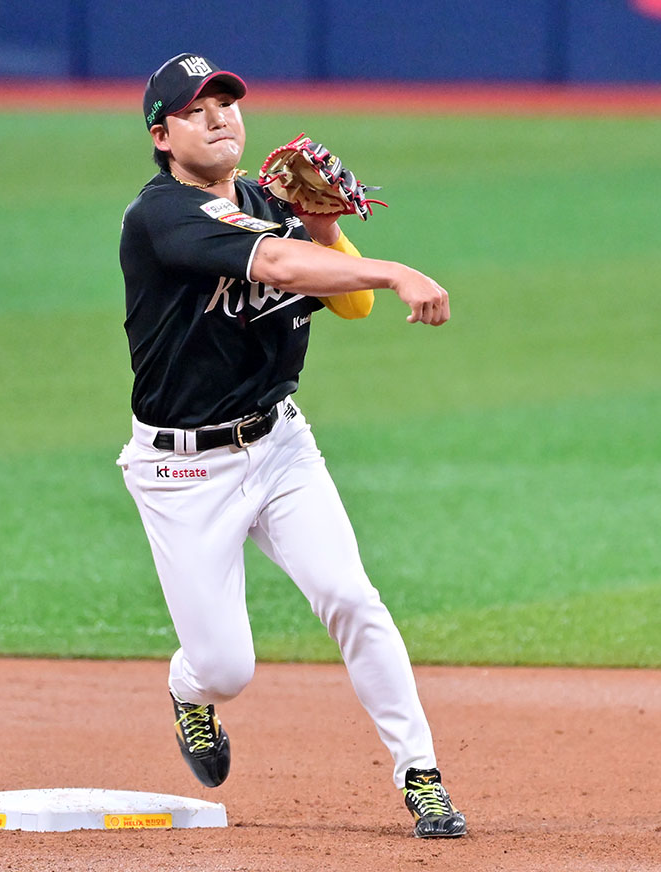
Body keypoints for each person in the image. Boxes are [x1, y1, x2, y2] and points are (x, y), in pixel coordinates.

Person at [116, 53, 466, 839]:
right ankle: (189, 690)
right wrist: (397, 270)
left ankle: (421, 774)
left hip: (280, 448)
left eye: (227, 105)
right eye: (197, 110)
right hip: (182, 469)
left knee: (352, 598)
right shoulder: (160, 216)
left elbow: (350, 308)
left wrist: (325, 227)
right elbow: (273, 260)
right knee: (225, 667)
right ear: (162, 135)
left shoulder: (267, 200)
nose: (219, 118)